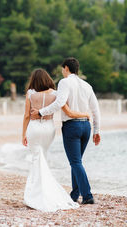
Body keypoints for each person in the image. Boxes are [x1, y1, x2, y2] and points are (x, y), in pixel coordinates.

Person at [31, 57, 101, 205]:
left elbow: (59, 102)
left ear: (66, 68)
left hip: (72, 126)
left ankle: (87, 195)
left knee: (75, 162)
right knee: (77, 162)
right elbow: (96, 110)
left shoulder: (64, 82)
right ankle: (74, 194)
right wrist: (97, 130)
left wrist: (41, 112)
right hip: (86, 127)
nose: (62, 72)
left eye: (63, 69)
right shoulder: (87, 85)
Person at [22, 68, 90, 212]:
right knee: (43, 159)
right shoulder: (56, 94)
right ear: (47, 79)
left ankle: (35, 195)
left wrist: (23, 134)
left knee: (36, 159)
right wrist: (85, 114)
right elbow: (68, 111)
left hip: (34, 129)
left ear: (33, 80)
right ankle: (46, 192)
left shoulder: (30, 94)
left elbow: (27, 116)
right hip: (48, 129)